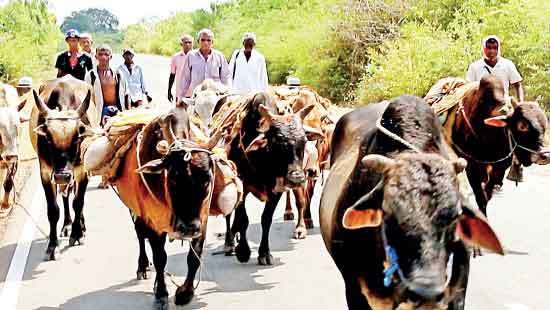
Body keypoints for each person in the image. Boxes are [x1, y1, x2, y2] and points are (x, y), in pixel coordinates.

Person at [466, 35, 524, 102]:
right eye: (489, 48)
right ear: (483, 49)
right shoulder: (474, 67)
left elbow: (517, 85)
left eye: (495, 48)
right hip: (482, 106)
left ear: (498, 49)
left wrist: (520, 102)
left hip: (503, 104)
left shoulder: (507, 64)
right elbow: (468, 89)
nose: (492, 51)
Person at [84, 44, 128, 128]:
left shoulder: (118, 74)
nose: (103, 57)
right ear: (96, 56)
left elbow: (126, 94)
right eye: (100, 54)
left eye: (106, 54)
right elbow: (88, 98)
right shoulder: (91, 75)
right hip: (100, 112)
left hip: (118, 110)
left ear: (110, 57)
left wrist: (128, 113)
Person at [179, 29, 230, 99]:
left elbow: (225, 77)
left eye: (209, 40)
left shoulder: (219, 56)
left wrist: (226, 94)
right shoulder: (191, 56)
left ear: (212, 42)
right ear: (198, 42)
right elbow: (185, 78)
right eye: (203, 40)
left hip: (216, 98)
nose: (206, 43)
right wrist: (181, 97)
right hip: (196, 97)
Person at [168, 34, 193, 102]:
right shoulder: (176, 57)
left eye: (190, 42)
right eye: (186, 42)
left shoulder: (197, 57)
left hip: (193, 94)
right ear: (181, 44)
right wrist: (169, 91)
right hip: (180, 93)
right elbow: (172, 75)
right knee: (179, 111)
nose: (188, 44)